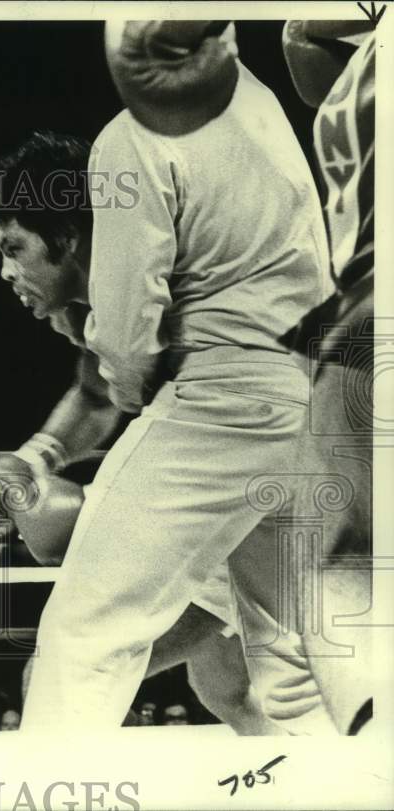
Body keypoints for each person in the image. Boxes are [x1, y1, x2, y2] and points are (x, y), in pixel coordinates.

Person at [0, 93, 335, 732]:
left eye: (14, 247)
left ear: (70, 236)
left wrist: (65, 506)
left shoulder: (137, 212)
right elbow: (94, 391)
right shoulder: (243, 130)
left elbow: (126, 366)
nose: (5, 271)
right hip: (308, 417)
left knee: (81, 638)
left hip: (231, 406)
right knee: (249, 682)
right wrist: (36, 457)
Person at [279, 20, 376, 736]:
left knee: (335, 553)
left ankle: (376, 737)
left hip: (368, 308)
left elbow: (300, 40)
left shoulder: (352, 82)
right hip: (358, 311)